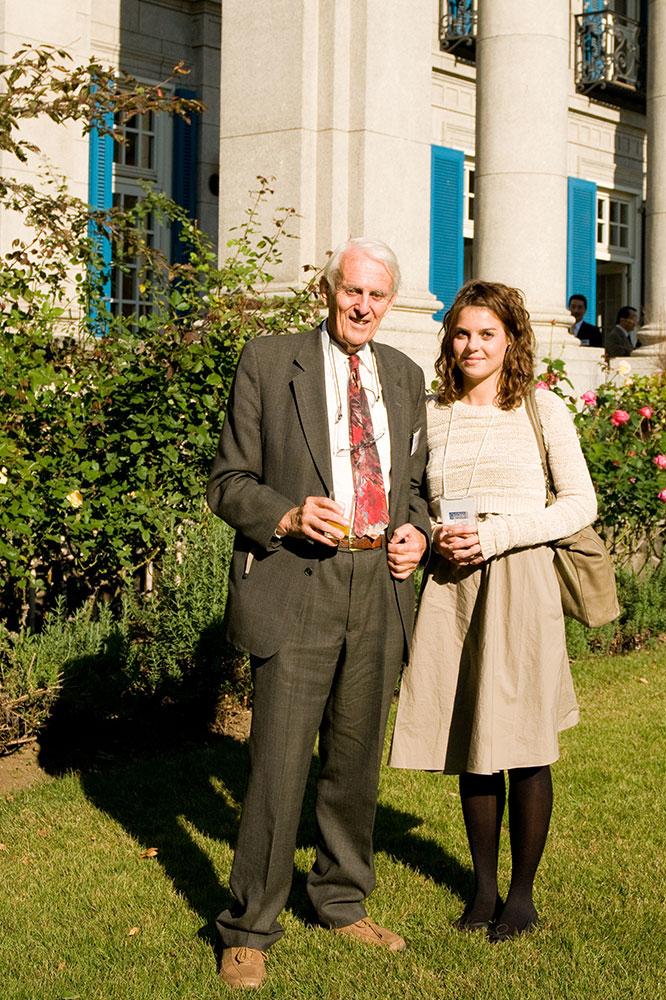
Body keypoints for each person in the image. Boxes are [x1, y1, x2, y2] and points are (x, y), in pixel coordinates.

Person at [207, 237, 430, 990]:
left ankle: (340, 897)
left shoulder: (403, 375)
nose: (362, 305)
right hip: (298, 579)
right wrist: (290, 516)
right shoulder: (271, 362)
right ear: (328, 290)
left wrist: (417, 532)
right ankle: (248, 926)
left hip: (379, 586)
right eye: (351, 290)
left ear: (389, 302)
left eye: (377, 295)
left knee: (355, 760)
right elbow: (229, 482)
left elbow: (418, 489)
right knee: (276, 762)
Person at [390, 279, 597, 942]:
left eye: (486, 333)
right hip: (454, 589)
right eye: (462, 333)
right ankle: (482, 889)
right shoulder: (431, 412)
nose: (472, 345)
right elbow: (415, 499)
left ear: (511, 341)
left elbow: (578, 505)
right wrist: (428, 534)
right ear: (449, 340)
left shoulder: (542, 411)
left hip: (522, 582)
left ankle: (523, 895)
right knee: (474, 743)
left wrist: (498, 532)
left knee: (527, 746)